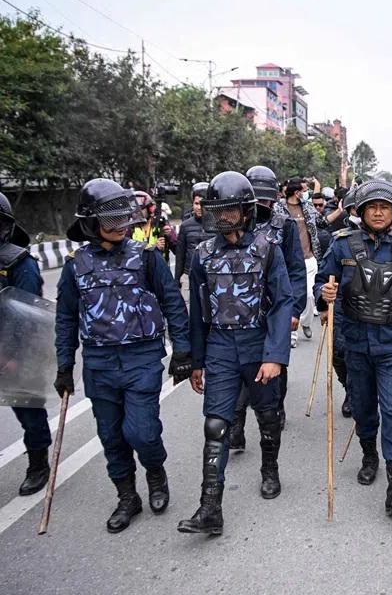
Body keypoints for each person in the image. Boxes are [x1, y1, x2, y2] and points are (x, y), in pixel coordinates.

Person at [55, 179, 191, 533]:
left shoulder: (145, 257)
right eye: (110, 220)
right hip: (99, 364)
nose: (121, 226)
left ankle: (156, 474)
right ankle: (127, 497)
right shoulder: (74, 265)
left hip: (142, 358)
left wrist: (182, 351)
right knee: (111, 436)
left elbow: (173, 303)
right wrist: (65, 365)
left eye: (123, 218)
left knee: (142, 432)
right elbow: (66, 317)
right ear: (89, 222)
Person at [178, 171, 293, 536]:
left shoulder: (266, 249)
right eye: (218, 210)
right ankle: (210, 506)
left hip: (258, 343)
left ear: (246, 212)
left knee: (267, 413)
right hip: (220, 347)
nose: (223, 217)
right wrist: (196, 361)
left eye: (230, 211)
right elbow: (197, 310)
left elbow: (282, 302)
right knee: (216, 424)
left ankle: (270, 469)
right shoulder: (202, 254)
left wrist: (275, 355)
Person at [314, 179, 392, 515]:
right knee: (365, 409)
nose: (378, 212)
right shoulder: (341, 245)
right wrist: (324, 298)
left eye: (384, 207)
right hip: (354, 343)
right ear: (361, 211)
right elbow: (321, 283)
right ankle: (369, 454)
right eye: (372, 207)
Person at [229, 166, 307, 451]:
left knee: (276, 364)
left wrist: (295, 309)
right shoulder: (233, 222)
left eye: (266, 200)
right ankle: (236, 424)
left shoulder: (284, 226)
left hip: (276, 306)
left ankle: (276, 407)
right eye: (256, 200)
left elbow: (296, 270)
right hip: (240, 307)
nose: (261, 206)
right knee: (239, 368)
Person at [0, 192, 52, 496]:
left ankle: (38, 462)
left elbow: (29, 315)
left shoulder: (20, 263)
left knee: (27, 409)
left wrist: (13, 355)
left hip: (18, 350)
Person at [281, 177, 320, 344]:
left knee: (310, 296)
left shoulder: (309, 207)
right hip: (288, 261)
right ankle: (292, 334)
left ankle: (306, 323)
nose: (307, 194)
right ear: (296, 192)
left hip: (309, 259)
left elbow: (323, 222)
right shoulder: (279, 209)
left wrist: (340, 212)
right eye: (304, 190)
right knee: (291, 296)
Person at [174, 183, 214, 288]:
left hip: (211, 275)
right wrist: (177, 279)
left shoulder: (217, 225)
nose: (199, 207)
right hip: (188, 276)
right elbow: (180, 255)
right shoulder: (185, 226)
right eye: (196, 203)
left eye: (203, 203)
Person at [131, 191, 177, 260]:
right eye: (134, 209)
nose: (136, 212)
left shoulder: (160, 223)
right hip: (137, 268)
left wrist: (170, 234)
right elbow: (126, 251)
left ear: (150, 209)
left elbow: (177, 250)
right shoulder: (128, 228)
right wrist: (153, 247)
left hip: (160, 268)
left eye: (141, 209)